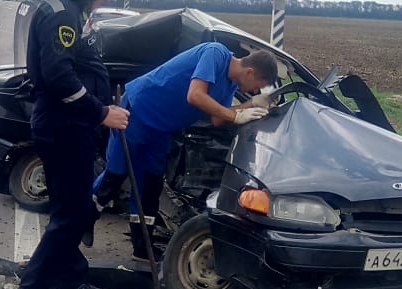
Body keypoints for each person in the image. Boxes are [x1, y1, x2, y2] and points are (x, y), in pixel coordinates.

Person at [10, 0, 130, 289]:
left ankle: (70, 280)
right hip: (65, 126)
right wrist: (101, 112)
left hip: (68, 124)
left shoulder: (64, 8)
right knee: (73, 211)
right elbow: (60, 77)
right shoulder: (63, 15)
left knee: (71, 206)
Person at [92, 42, 279, 261]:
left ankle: (142, 249)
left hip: (161, 128)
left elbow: (218, 118)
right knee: (115, 176)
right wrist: (236, 116)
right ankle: (77, 227)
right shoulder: (215, 54)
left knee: (150, 186)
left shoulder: (229, 85)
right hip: (137, 112)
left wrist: (251, 106)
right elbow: (195, 95)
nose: (254, 91)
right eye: (258, 86)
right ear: (250, 71)